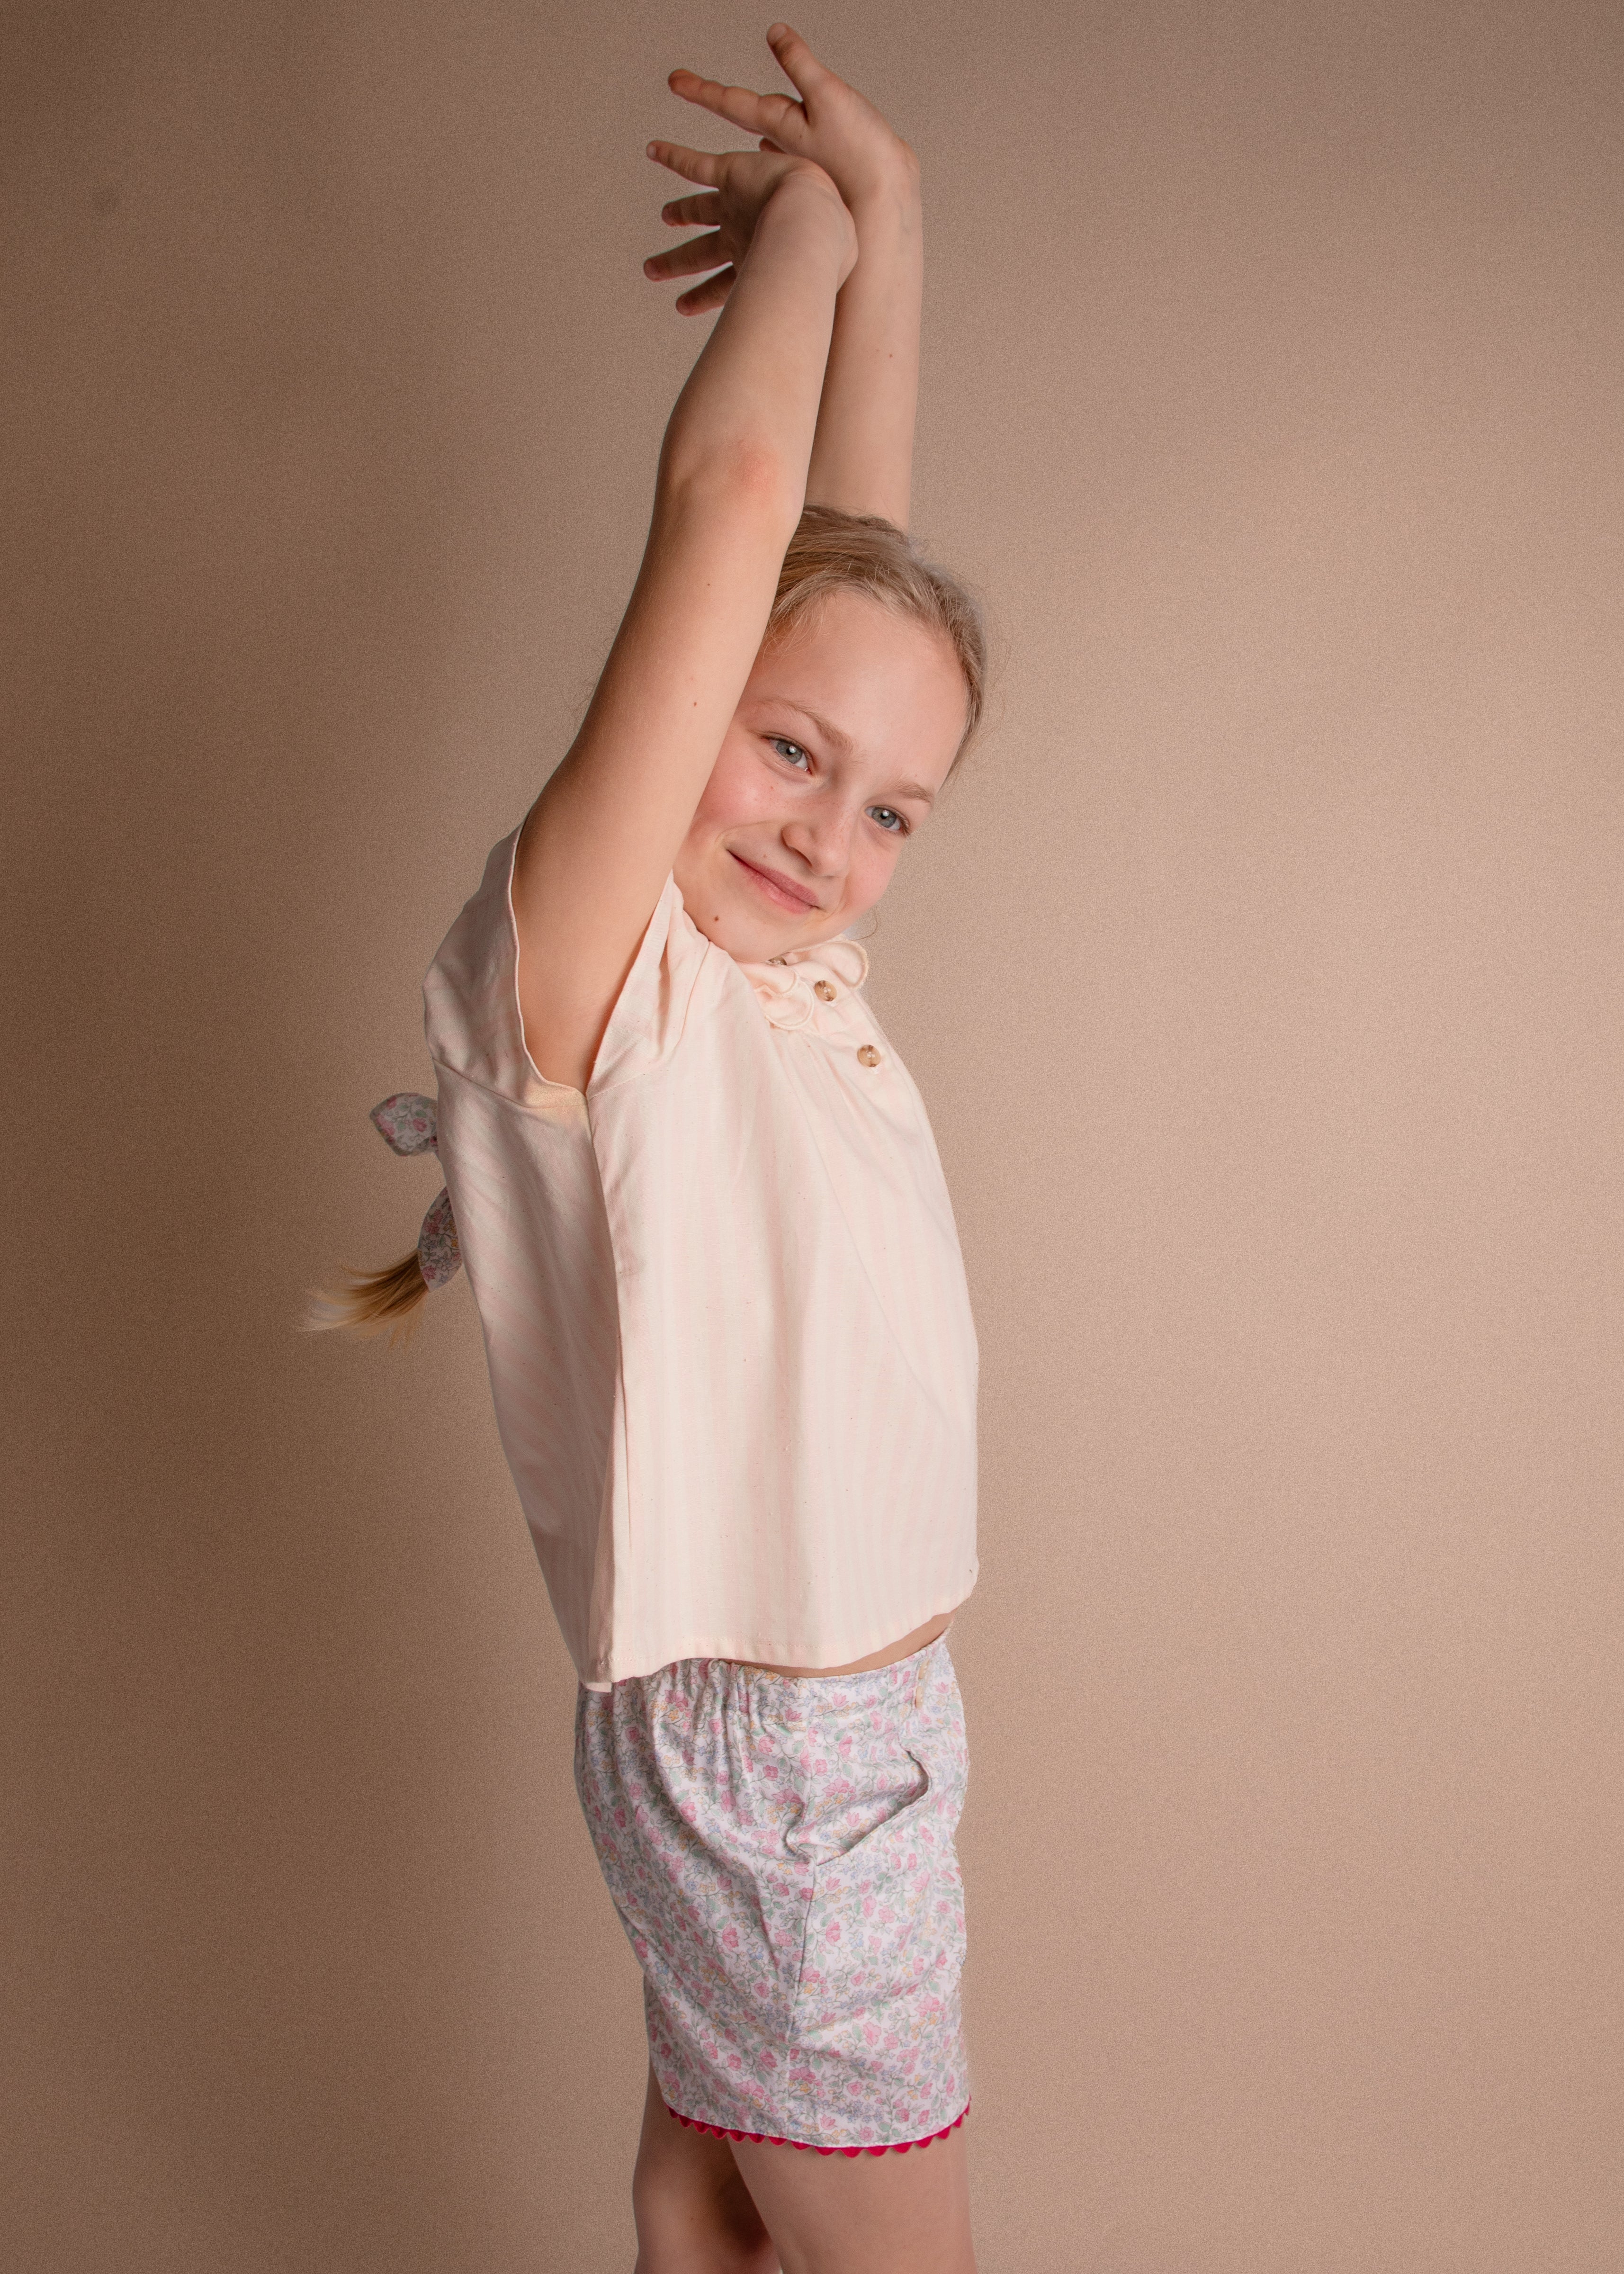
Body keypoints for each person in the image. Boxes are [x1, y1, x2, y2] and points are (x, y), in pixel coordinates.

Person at [314, 26, 987, 2271]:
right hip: (783, 1779)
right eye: (785, 752)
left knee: (702, 2220)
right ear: (696, 707)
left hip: (837, 1736)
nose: (829, 830)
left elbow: (846, 565)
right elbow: (744, 506)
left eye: (890, 810)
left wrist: (893, 218)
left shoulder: (784, 970)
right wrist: (798, 223)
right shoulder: (595, 976)